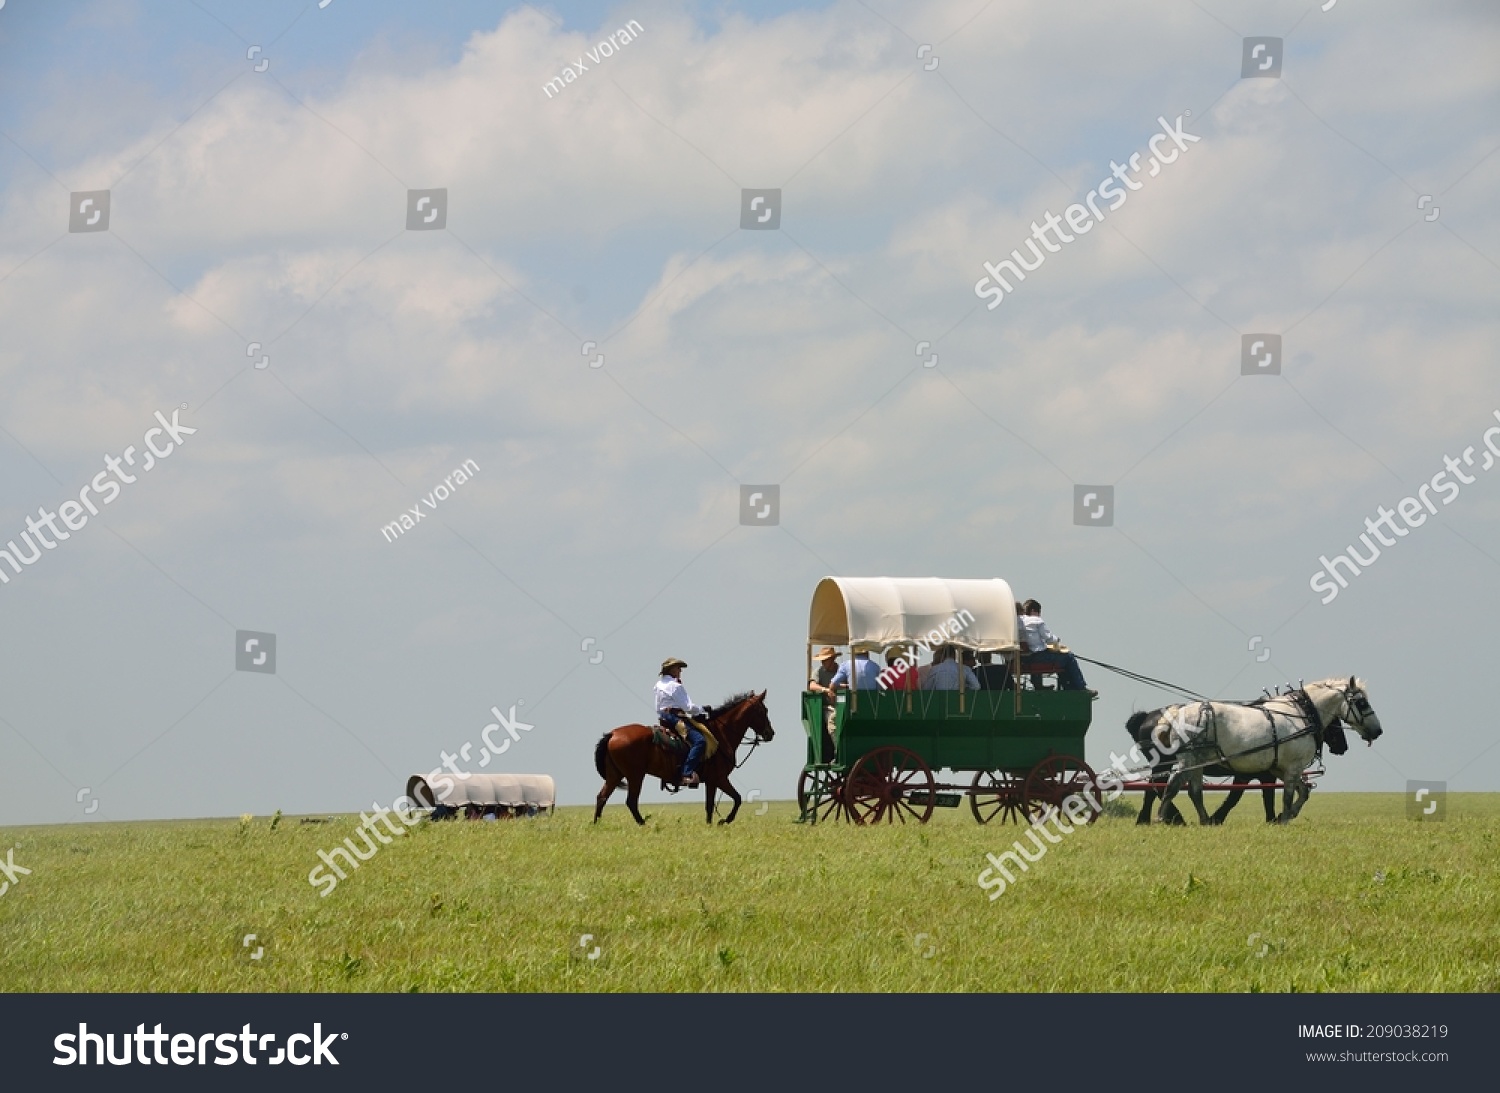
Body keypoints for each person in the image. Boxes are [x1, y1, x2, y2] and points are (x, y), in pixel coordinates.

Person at [1017, 599, 1096, 697]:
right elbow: (1050, 639)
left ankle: (1038, 685)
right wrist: (1057, 640)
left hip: (1021, 659)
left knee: (1042, 655)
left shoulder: (1014, 623)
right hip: (1036, 657)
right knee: (1068, 657)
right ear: (1034, 611)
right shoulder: (1036, 620)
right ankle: (1080, 688)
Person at [654, 657, 710, 787]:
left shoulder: (658, 685)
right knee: (699, 741)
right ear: (671, 670)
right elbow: (688, 707)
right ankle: (686, 773)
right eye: (678, 668)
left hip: (663, 717)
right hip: (675, 717)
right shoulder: (675, 686)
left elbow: (657, 708)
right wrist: (703, 709)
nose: (680, 670)